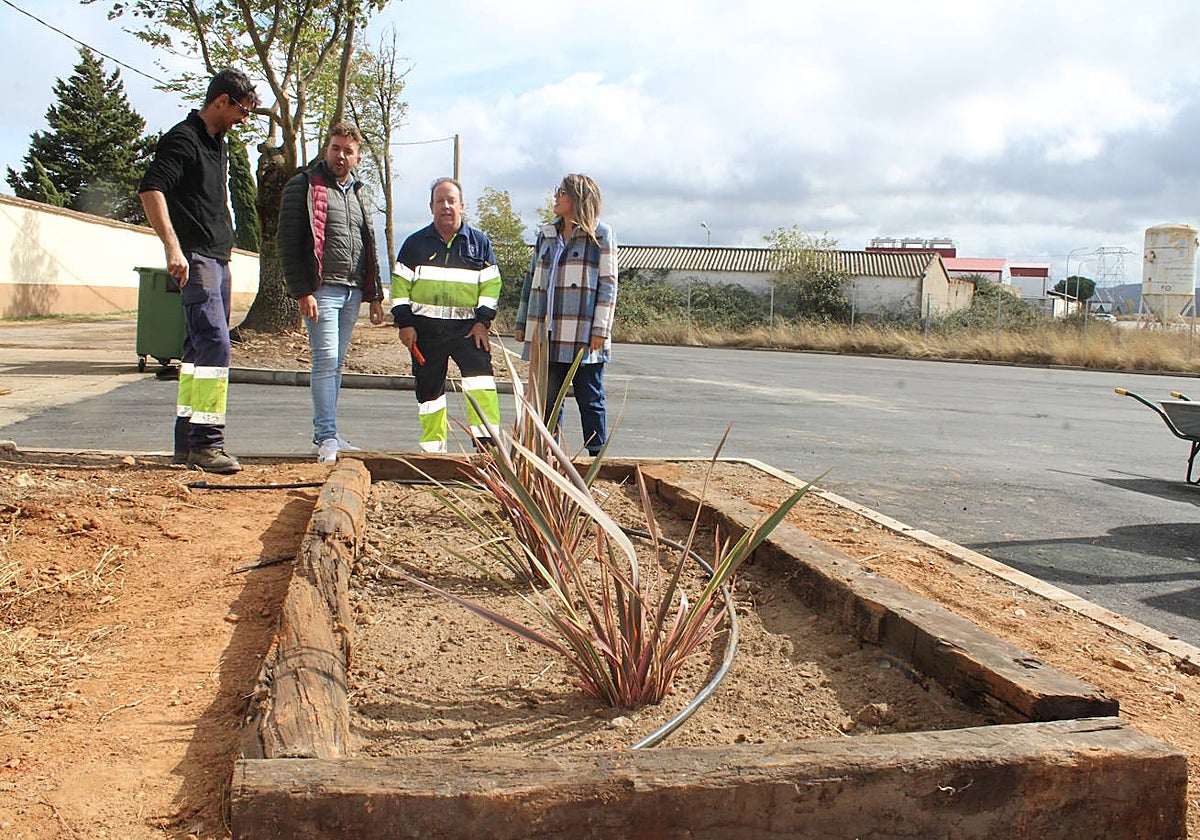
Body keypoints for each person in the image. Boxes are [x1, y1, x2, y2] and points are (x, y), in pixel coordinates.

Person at [139, 68, 259, 475]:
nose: (244, 119)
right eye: (242, 110)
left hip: (218, 258)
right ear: (222, 101)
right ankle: (208, 444)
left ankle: (186, 442)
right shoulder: (184, 138)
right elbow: (151, 189)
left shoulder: (216, 143)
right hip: (197, 259)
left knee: (194, 353)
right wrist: (173, 247)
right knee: (215, 345)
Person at [278, 123, 385, 463]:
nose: (341, 155)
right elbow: (288, 242)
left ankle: (327, 434)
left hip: (352, 290)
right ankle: (326, 436)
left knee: (336, 364)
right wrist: (302, 291)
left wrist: (375, 295)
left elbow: (368, 243)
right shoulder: (305, 185)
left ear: (357, 158)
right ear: (327, 150)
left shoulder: (358, 193)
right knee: (325, 361)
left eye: (348, 151)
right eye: (335, 148)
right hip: (321, 290)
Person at [392, 178, 502, 453]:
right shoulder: (414, 244)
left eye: (451, 201)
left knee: (480, 385)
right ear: (431, 207)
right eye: (440, 201)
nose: (446, 206)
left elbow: (491, 286)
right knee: (429, 393)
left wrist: (483, 322)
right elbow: (400, 288)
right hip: (426, 333)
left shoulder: (479, 243)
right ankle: (433, 451)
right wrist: (405, 324)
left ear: (462, 205)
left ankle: (487, 450)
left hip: (469, 332)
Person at [514, 173, 618, 456]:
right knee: (547, 402)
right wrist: (522, 322)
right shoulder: (546, 234)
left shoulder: (601, 234)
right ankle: (548, 460)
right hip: (547, 334)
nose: (556, 197)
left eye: (561, 192)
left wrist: (601, 330)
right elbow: (531, 279)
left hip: (583, 335)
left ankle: (596, 460)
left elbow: (608, 285)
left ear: (577, 197)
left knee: (590, 399)